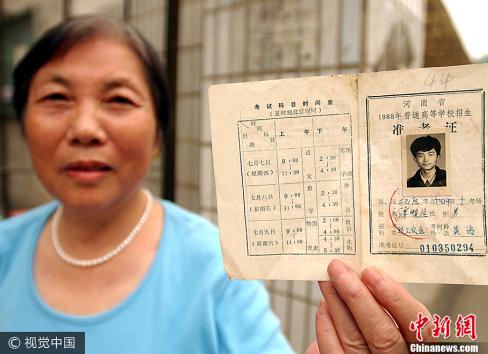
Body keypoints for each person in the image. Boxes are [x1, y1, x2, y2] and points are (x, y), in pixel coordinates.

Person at [0, 16, 432, 354]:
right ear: (23, 124)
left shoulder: (215, 265)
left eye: (118, 100)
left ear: (157, 137)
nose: (86, 129)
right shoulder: (5, 247)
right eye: (56, 98)